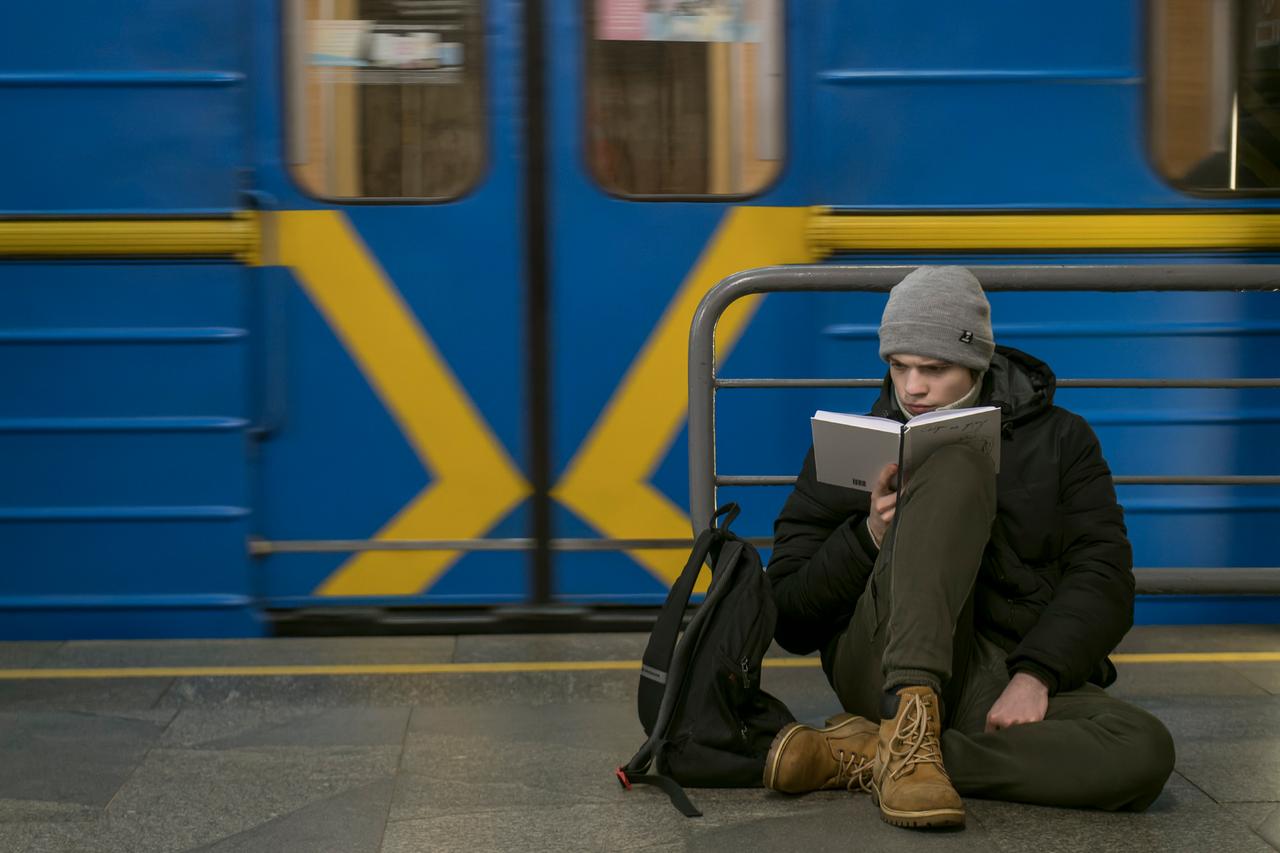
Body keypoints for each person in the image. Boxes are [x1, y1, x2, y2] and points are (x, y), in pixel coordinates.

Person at [761, 266, 1175, 829]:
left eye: (934, 368)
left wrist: (1036, 678)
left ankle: (870, 756)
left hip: (999, 675)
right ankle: (908, 719)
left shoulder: (1062, 440)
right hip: (880, 669)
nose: (912, 388)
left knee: (1142, 750)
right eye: (898, 365)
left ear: (977, 361)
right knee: (955, 461)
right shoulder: (852, 446)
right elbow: (789, 615)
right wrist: (869, 539)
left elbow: (1103, 576)